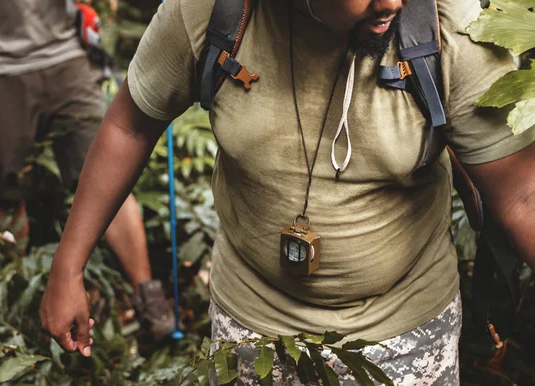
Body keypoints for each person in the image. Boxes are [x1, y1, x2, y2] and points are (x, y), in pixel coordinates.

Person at [40, 0, 535, 383]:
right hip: (251, 324)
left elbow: (521, 196)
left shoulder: (448, 24)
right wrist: (69, 265)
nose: (393, 3)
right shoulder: (215, 14)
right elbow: (130, 125)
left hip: (404, 332)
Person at [0, 0, 177, 341]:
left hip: (66, 57)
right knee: (8, 186)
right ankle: (11, 306)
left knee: (110, 173)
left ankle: (148, 297)